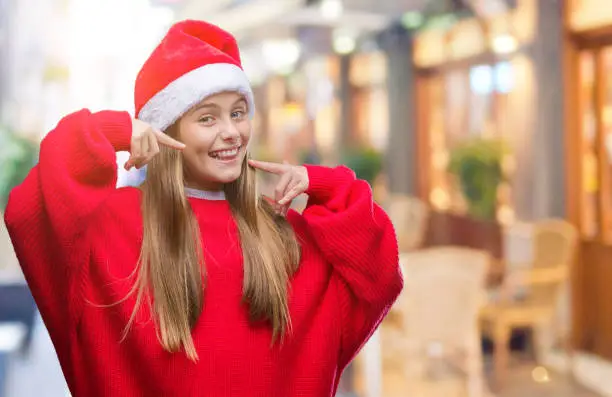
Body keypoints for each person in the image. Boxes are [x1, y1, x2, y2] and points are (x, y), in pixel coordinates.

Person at [3, 20, 403, 397]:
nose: (231, 131)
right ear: (166, 128)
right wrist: (114, 130)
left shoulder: (281, 230)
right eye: (207, 117)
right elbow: (31, 206)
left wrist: (324, 183)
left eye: (238, 112)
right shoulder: (111, 227)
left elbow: (378, 275)